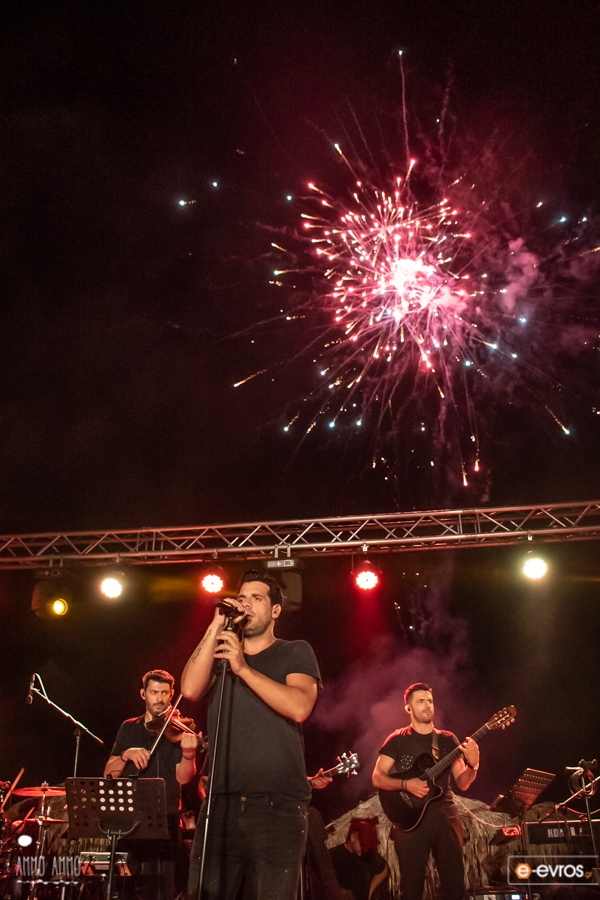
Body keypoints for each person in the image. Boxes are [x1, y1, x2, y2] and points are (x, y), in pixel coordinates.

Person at [180, 569, 322, 900]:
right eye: (242, 598)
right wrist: (216, 624)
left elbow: (299, 706)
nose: (246, 604)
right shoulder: (222, 656)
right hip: (220, 805)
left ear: (276, 610)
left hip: (278, 806)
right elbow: (189, 689)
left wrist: (243, 668)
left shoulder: (294, 651)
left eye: (257, 598)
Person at [371, 683, 479, 900]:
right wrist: (406, 785)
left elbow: (463, 782)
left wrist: (474, 765)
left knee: (455, 887)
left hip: (445, 817)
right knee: (411, 889)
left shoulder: (447, 739)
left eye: (430, 701)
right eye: (421, 701)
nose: (428, 705)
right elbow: (377, 777)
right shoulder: (397, 739)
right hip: (410, 819)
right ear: (408, 708)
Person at [104, 669, 199, 900]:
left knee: (160, 891)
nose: (159, 698)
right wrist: (126, 754)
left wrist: (189, 755)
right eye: (154, 692)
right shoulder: (129, 727)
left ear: (172, 694)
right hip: (127, 819)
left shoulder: (178, 728)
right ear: (143, 694)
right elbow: (108, 774)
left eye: (164, 693)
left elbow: (184, 778)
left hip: (164, 820)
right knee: (122, 889)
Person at [329, 818, 389, 900]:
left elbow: (384, 868)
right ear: (353, 837)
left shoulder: (367, 854)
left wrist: (370, 891)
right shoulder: (333, 857)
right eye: (363, 844)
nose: (365, 849)